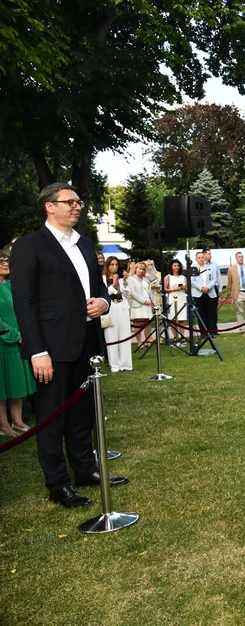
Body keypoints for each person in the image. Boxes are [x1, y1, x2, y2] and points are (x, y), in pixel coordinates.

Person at [11, 183, 128, 508]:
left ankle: (85, 470)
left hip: (87, 345)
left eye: (79, 202)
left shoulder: (85, 244)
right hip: (51, 349)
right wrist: (37, 351)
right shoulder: (30, 246)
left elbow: (99, 288)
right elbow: (25, 303)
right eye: (70, 202)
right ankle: (58, 484)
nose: (78, 207)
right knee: (52, 418)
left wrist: (103, 303)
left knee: (83, 413)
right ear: (50, 206)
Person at [0, 249, 35, 436]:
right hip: (3, 342)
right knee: (3, 386)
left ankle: (18, 421)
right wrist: (14, 335)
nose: (5, 264)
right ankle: (4, 425)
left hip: (19, 341)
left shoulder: (12, 285)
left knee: (17, 384)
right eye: (1, 261)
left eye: (6, 260)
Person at [102, 256, 132, 371]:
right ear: (108, 265)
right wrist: (113, 286)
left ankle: (125, 363)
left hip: (122, 305)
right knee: (112, 335)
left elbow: (126, 293)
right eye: (112, 264)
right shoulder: (103, 278)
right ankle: (114, 364)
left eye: (116, 265)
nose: (114, 267)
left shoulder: (119, 278)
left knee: (125, 334)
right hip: (111, 307)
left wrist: (123, 281)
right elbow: (105, 293)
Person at [126, 261, 154, 347]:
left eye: (143, 269)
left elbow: (154, 278)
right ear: (136, 269)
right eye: (139, 269)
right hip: (138, 304)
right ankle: (139, 341)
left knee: (147, 323)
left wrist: (151, 301)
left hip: (148, 304)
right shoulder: (130, 279)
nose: (141, 271)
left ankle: (147, 340)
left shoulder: (146, 279)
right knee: (137, 324)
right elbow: (133, 293)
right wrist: (143, 301)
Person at [189, 251, 217, 336]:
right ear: (196, 259)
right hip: (198, 293)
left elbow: (214, 278)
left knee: (211, 312)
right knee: (201, 313)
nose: (201, 259)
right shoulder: (193, 269)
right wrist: (201, 288)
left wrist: (208, 287)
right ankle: (203, 332)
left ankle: (212, 331)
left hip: (210, 292)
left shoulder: (210, 268)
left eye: (202, 257)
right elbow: (191, 280)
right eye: (199, 258)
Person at [163, 260, 188, 343]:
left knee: (181, 319)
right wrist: (174, 289)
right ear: (171, 267)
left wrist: (184, 288)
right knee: (173, 319)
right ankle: (175, 336)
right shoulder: (168, 277)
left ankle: (183, 337)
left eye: (178, 265)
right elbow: (164, 289)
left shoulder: (183, 277)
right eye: (174, 265)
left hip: (181, 297)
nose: (176, 267)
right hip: (172, 297)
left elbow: (187, 289)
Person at [202, 249, 221, 337]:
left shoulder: (214, 264)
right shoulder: (201, 265)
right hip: (202, 290)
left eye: (210, 254)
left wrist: (220, 288)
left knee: (213, 311)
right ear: (204, 255)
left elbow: (218, 277)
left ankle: (213, 330)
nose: (210, 255)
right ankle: (205, 331)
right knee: (204, 310)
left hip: (213, 289)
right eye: (209, 254)